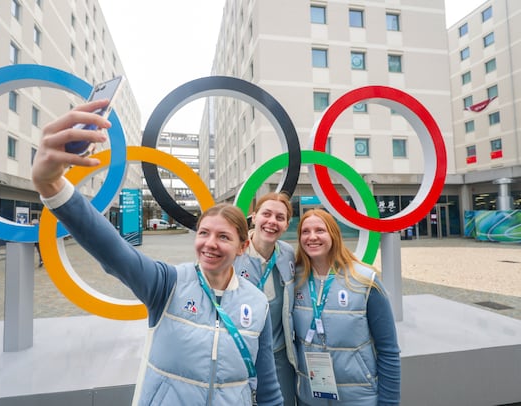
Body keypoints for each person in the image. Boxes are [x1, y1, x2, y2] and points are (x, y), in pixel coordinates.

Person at [31, 99, 283, 405]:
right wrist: (51, 185)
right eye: (203, 233)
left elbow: (268, 389)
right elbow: (112, 250)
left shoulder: (256, 303)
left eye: (223, 237)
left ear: (243, 246)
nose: (210, 243)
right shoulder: (168, 284)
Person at [291, 209, 400, 405]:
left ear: (334, 234)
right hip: (310, 398)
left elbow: (388, 350)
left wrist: (389, 402)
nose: (312, 237)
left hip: (359, 397)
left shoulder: (364, 280)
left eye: (320, 230)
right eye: (305, 231)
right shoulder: (294, 281)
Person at [234, 192, 297, 405]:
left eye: (280, 217)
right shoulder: (234, 253)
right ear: (254, 217)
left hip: (279, 356)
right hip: (240, 355)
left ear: (286, 224)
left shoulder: (287, 254)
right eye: (266, 214)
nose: (272, 221)